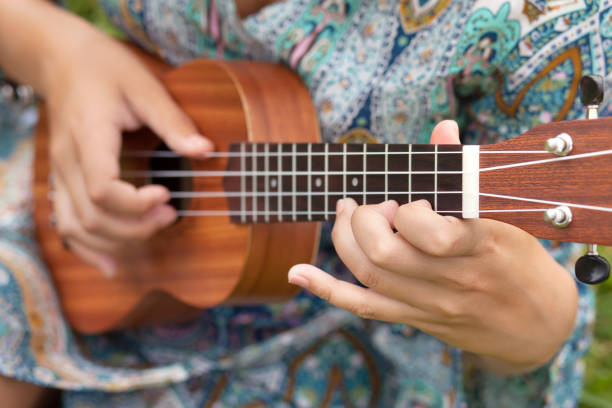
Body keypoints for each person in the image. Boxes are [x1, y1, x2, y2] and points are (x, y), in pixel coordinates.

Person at [0, 0, 608, 406]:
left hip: (341, 331)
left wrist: (530, 321)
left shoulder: (540, 17)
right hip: (59, 164)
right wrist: (62, 54)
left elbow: (535, 315)